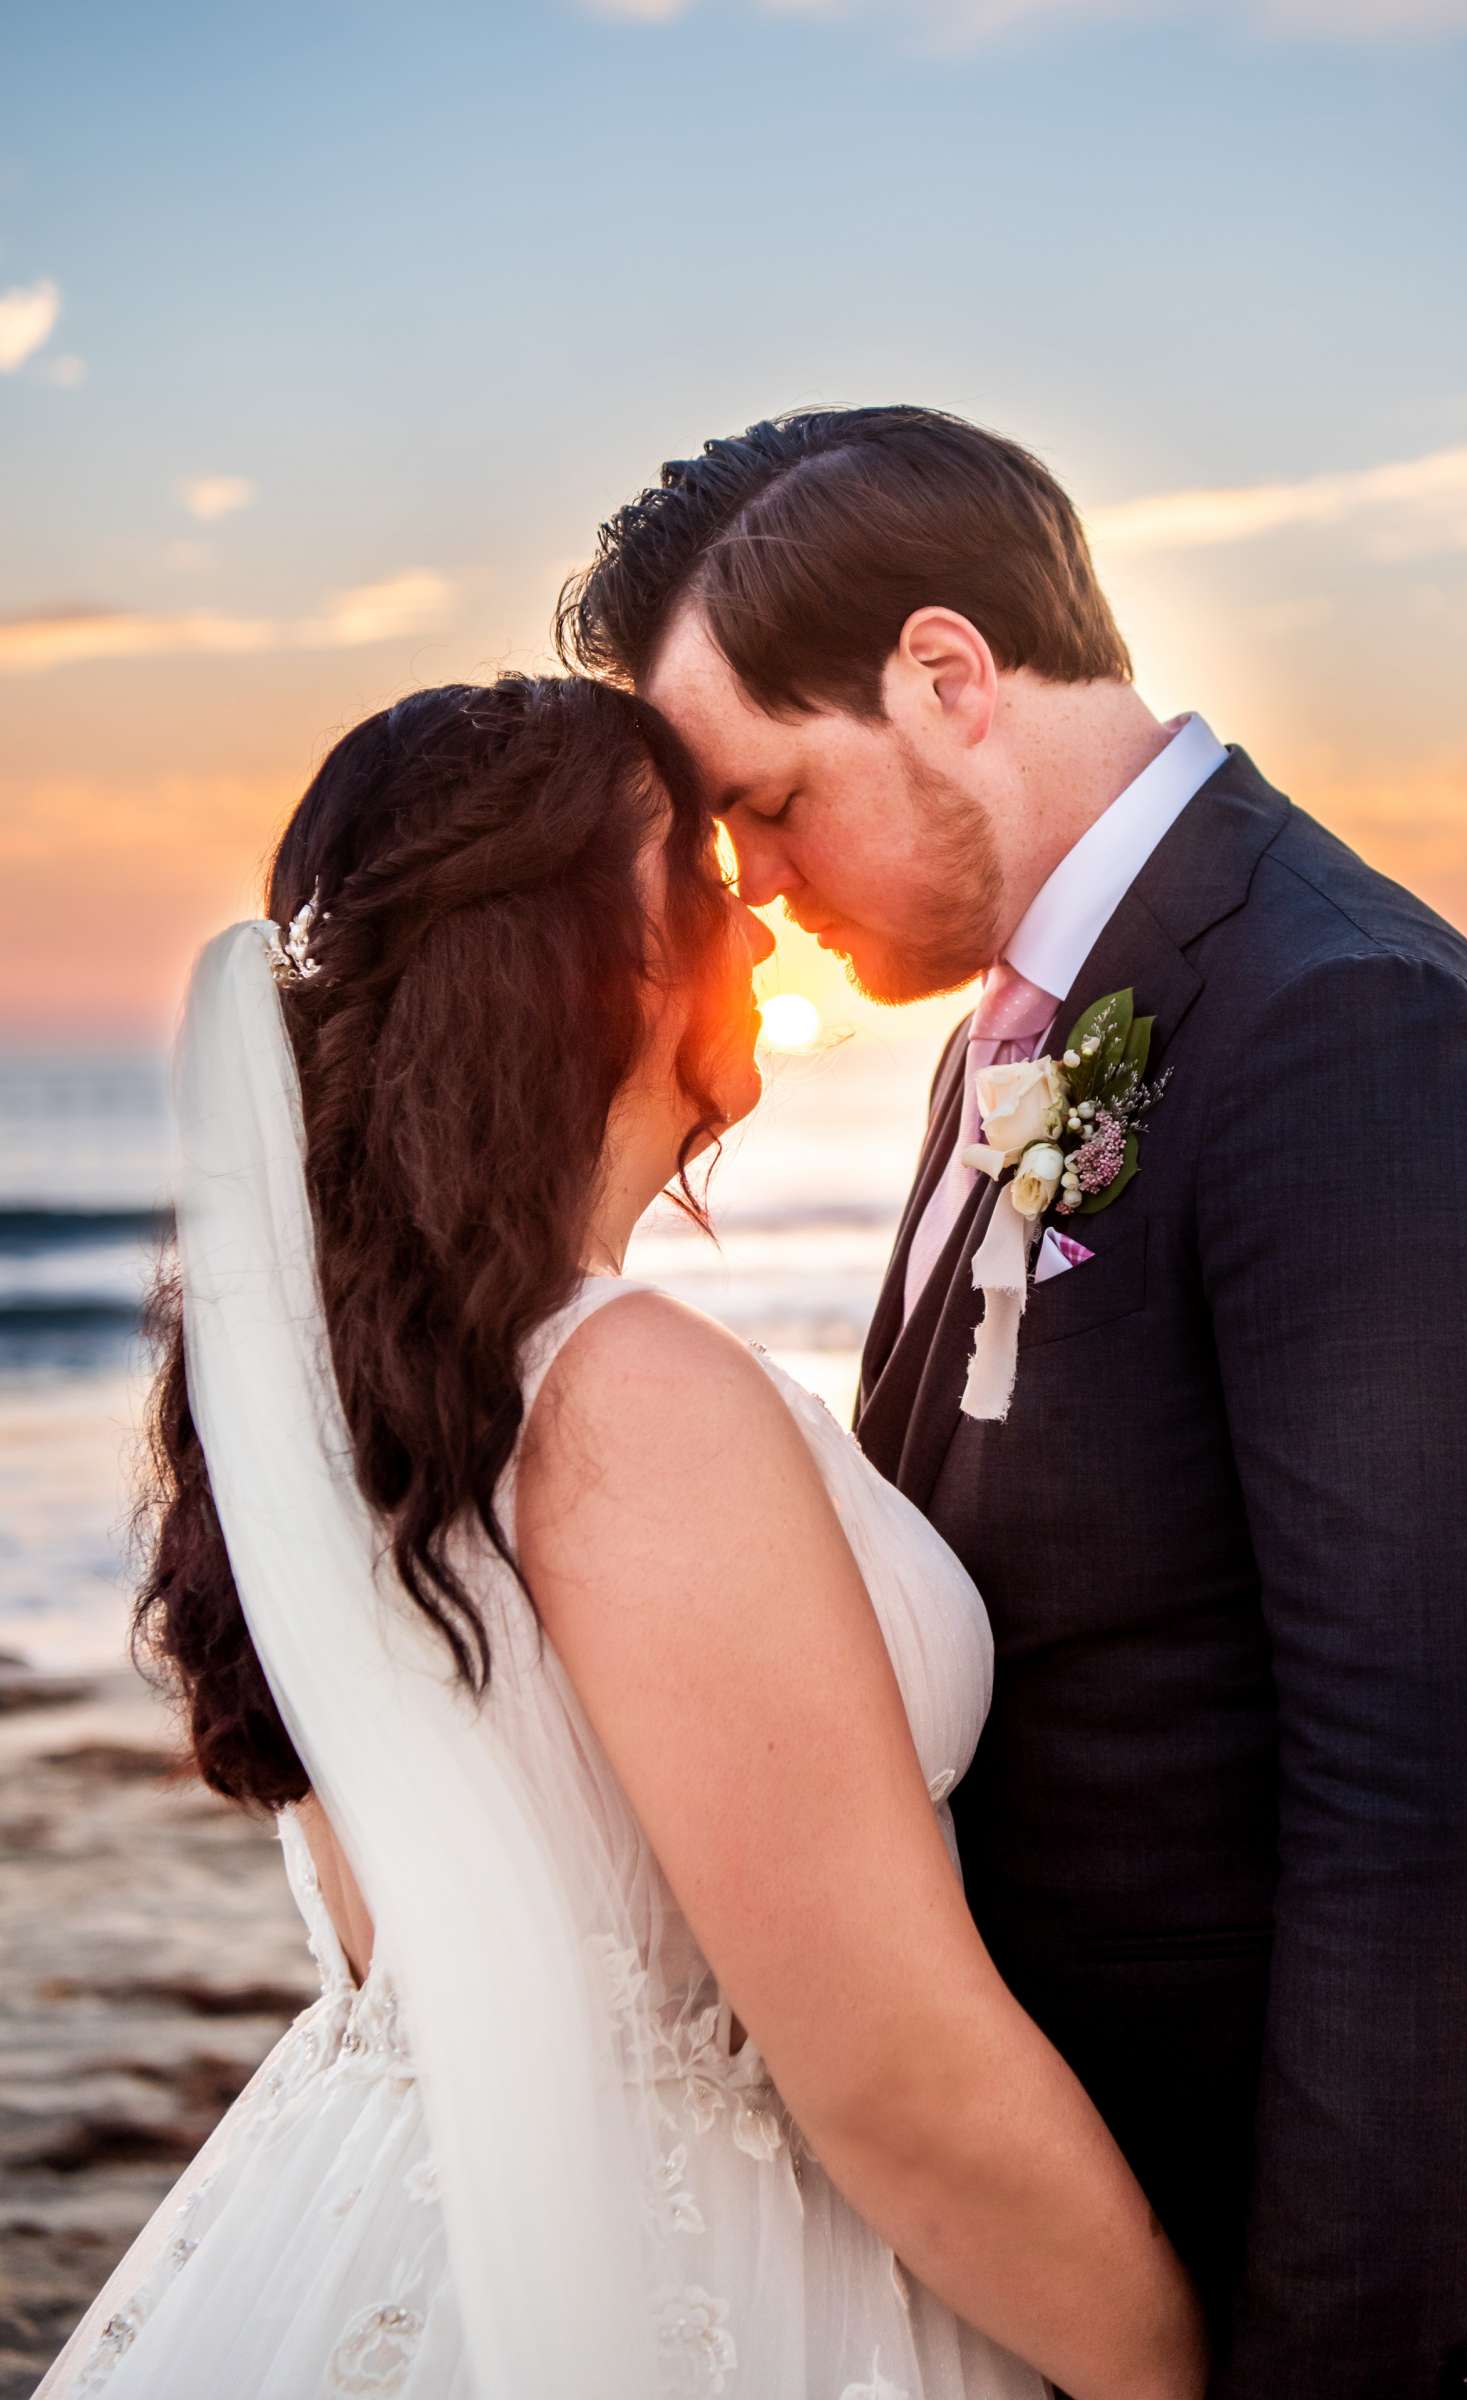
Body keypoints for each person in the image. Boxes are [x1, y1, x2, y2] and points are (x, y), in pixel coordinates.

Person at [559, 405, 1467, 2398]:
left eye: (765, 802)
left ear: (942, 676)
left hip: (1285, 2258)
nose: (746, 886)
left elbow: (1440, 1825)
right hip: (1073, 2249)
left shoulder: (1353, 1028)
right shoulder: (997, 1042)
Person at [34, 672, 1204, 2400]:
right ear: (596, 959)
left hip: (377, 2226)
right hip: (704, 2293)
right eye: (708, 886)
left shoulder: (380, 1396)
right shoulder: (618, 1400)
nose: (766, 934)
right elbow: (892, 2077)